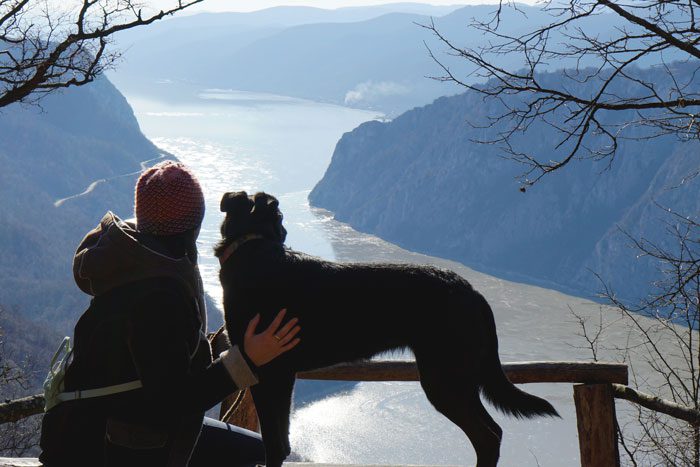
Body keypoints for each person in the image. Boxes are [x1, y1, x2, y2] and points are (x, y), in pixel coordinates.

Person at [39, 161, 300, 467]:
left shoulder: (139, 256)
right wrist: (247, 360)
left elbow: (155, 364)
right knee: (257, 456)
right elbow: (172, 400)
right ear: (193, 224)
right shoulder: (158, 295)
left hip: (96, 430)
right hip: (106, 449)